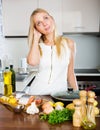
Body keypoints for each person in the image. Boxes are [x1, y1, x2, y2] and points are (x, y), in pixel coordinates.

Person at [27, 8, 78, 95]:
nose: (44, 23)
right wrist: (35, 38)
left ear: (52, 19)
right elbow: (32, 62)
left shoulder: (69, 44)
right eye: (38, 23)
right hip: (37, 94)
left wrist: (77, 94)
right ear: (36, 29)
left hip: (60, 96)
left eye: (45, 18)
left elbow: (70, 74)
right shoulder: (38, 46)